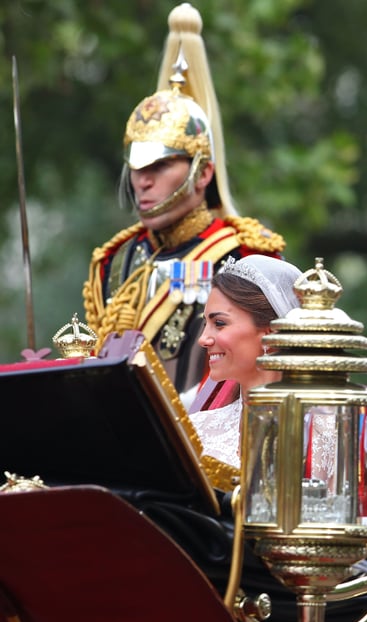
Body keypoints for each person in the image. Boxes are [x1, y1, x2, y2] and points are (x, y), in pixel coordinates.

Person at [82, 3, 285, 401]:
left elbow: (270, 362)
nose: (143, 180)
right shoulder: (116, 258)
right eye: (137, 167)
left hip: (210, 434)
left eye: (160, 165)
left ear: (203, 173)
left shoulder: (245, 251)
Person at [189, 254, 301, 468]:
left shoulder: (320, 432)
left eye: (219, 323)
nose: (203, 339)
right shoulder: (196, 431)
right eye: (206, 324)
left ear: (271, 332)